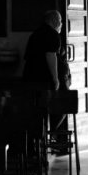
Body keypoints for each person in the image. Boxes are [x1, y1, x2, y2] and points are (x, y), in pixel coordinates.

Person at [23, 9, 68, 139]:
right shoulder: (52, 35)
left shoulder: (36, 33)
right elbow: (50, 55)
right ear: (54, 21)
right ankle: (48, 135)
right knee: (64, 103)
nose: (61, 24)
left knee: (38, 112)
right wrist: (56, 79)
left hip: (31, 79)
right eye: (60, 21)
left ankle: (42, 138)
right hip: (44, 81)